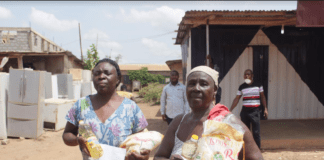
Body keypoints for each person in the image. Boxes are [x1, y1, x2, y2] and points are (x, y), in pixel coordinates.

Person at [154, 66, 263, 160]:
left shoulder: (231, 125)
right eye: (191, 84)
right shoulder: (178, 122)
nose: (196, 88)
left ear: (215, 89)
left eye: (203, 84)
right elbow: (159, 157)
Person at [62, 58, 150, 160]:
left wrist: (144, 155)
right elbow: (67, 134)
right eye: (97, 74)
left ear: (118, 79)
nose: (101, 77)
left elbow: (143, 141)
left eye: (107, 73)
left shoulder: (131, 107)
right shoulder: (81, 105)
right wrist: (78, 140)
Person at [229, 69, 268, 149]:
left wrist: (265, 108)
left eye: (248, 74)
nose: (246, 76)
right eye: (245, 74)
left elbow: (263, 96)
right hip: (245, 112)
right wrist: (230, 110)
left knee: (256, 132)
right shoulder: (242, 87)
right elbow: (237, 99)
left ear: (252, 75)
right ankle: (246, 151)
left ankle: (257, 150)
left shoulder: (258, 85)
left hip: (255, 111)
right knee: (245, 133)